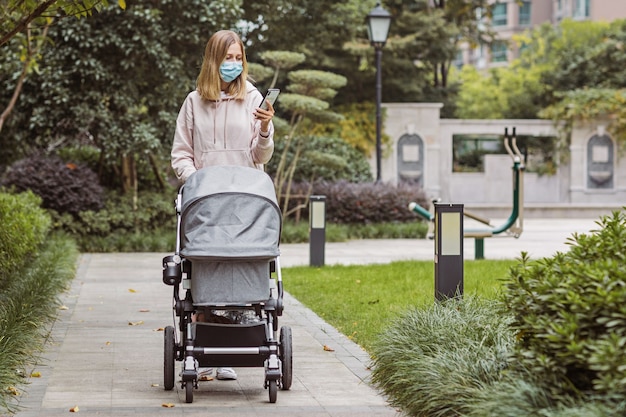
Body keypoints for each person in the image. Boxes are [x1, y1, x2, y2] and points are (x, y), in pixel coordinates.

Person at [171, 30, 276, 381]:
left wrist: (265, 129)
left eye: (238, 58)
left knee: (240, 264)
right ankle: (206, 352)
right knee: (206, 267)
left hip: (245, 200)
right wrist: (197, 181)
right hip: (207, 201)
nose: (233, 64)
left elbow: (260, 156)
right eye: (227, 58)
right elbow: (181, 154)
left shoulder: (253, 98)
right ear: (213, 60)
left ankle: (229, 350)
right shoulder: (193, 102)